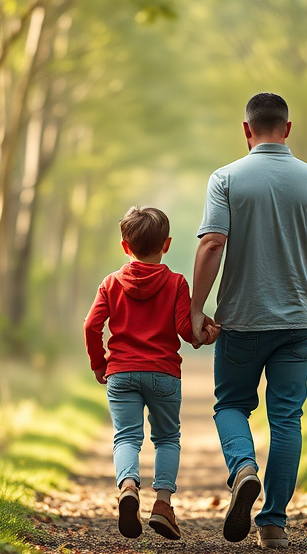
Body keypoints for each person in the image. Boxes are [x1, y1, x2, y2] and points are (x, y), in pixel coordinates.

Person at [190, 93, 307, 549]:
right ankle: (273, 523)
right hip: (298, 323)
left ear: (247, 130)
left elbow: (210, 246)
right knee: (287, 419)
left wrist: (195, 307)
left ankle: (244, 468)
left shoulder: (226, 179)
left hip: (241, 322)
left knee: (230, 405)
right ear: (287, 129)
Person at [84, 206, 220, 541]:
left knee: (127, 438)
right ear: (168, 243)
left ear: (124, 246)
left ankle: (128, 486)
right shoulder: (176, 283)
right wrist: (205, 335)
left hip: (121, 373)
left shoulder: (111, 283)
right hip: (163, 374)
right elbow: (186, 330)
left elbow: (91, 325)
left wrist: (99, 363)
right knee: (166, 439)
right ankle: (162, 503)